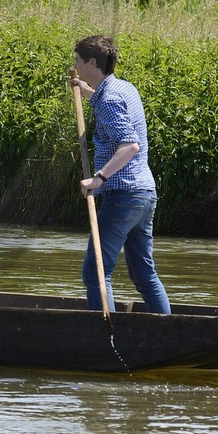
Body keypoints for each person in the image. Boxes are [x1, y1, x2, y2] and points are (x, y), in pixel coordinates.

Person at [69, 34, 171, 315]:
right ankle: (166, 329)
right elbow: (107, 103)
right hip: (144, 195)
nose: (75, 65)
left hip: (123, 195)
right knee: (143, 275)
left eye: (78, 60)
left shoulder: (111, 99)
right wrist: (84, 90)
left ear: (92, 62)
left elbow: (130, 145)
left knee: (95, 272)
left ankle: (105, 336)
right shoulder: (123, 89)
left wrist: (97, 178)